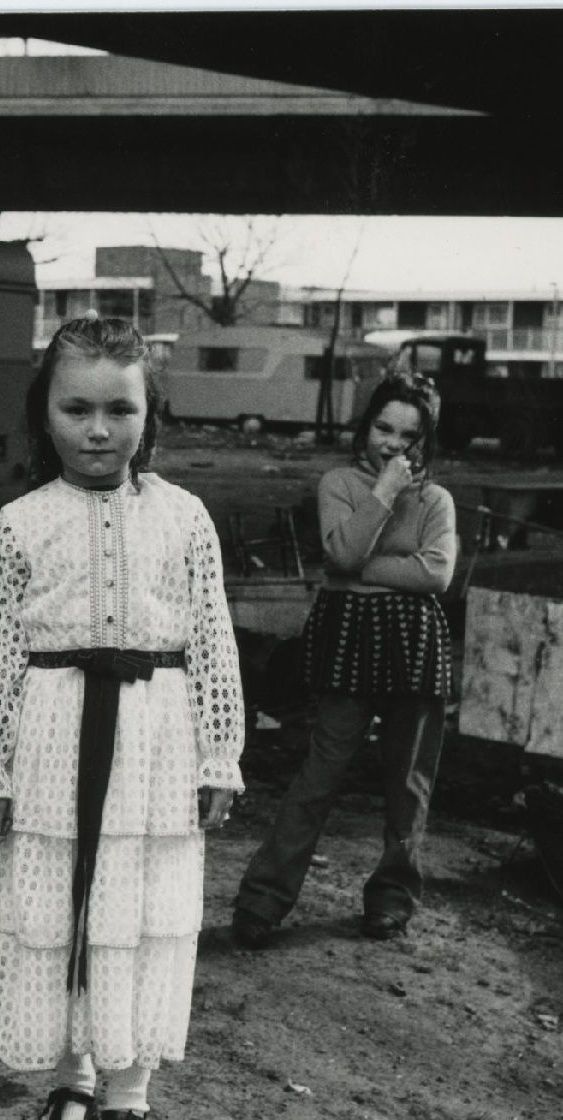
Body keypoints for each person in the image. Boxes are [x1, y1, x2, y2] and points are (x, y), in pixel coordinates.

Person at [0, 315, 244, 1120]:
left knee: (137, 918)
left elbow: (213, 643)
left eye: (119, 410)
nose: (96, 429)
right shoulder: (19, 523)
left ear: (148, 416)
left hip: (154, 743)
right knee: (65, 920)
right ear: (44, 414)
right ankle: (72, 1085)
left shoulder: (185, 518)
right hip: (51, 736)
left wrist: (217, 754)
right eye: (75, 408)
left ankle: (128, 1097)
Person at [231, 371, 456, 948]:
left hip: (415, 644)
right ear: (366, 425)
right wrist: (382, 496)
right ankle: (263, 900)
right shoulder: (339, 483)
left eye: (409, 436)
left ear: (425, 442)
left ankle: (391, 901)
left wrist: (358, 570)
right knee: (319, 775)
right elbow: (340, 549)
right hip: (349, 636)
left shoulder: (436, 500)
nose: (393, 444)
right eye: (384, 427)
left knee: (409, 784)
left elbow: (437, 574)